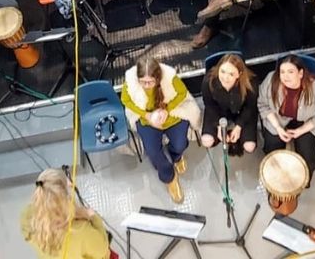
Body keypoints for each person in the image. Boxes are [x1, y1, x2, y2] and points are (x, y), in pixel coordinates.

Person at [121, 57, 201, 203]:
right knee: (153, 153)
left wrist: (167, 110)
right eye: (143, 82)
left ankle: (176, 156)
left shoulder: (170, 77)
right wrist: (146, 115)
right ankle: (169, 177)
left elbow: (182, 93)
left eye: (150, 82)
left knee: (180, 144)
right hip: (147, 120)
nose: (146, 85)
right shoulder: (131, 82)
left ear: (157, 78)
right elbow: (125, 100)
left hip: (171, 116)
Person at [258, 55, 315, 176]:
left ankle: (303, 180)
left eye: (290, 72)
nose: (285, 76)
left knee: (307, 157)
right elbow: (263, 104)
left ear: (300, 73)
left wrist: (301, 130)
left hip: (306, 121)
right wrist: (278, 128)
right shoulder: (271, 79)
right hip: (278, 117)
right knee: (272, 150)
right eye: (282, 72)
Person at [20, 168, 111, 259]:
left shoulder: (27, 216)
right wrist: (92, 216)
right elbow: (102, 249)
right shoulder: (81, 230)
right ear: (65, 198)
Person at [201, 53, 258, 155]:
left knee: (250, 147)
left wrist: (239, 126)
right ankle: (221, 138)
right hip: (218, 111)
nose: (225, 77)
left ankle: (239, 139)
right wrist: (219, 126)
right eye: (222, 71)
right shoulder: (208, 81)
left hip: (242, 112)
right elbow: (209, 105)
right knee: (207, 141)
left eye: (231, 74)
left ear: (239, 74)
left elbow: (250, 107)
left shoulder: (250, 82)